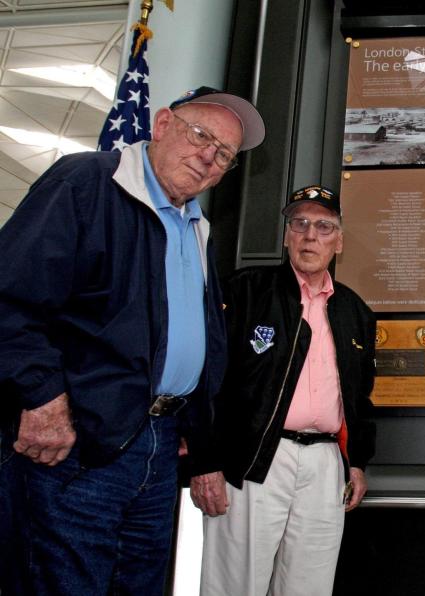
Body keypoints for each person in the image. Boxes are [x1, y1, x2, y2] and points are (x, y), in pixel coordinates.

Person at [0, 86, 264, 595]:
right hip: (79, 441)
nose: (209, 157)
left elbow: (189, 337)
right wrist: (41, 399)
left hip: (158, 446)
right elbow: (11, 298)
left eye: (225, 154)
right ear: (162, 124)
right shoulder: (86, 183)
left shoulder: (195, 225)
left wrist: (192, 425)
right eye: (202, 135)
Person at [192, 185, 376, 596]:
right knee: (235, 585)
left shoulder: (355, 312)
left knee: (309, 585)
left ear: (339, 241)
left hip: (325, 465)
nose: (311, 235)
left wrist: (357, 462)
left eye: (324, 226)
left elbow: (359, 396)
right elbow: (206, 380)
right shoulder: (243, 292)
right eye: (301, 224)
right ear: (286, 235)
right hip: (254, 458)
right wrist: (205, 461)